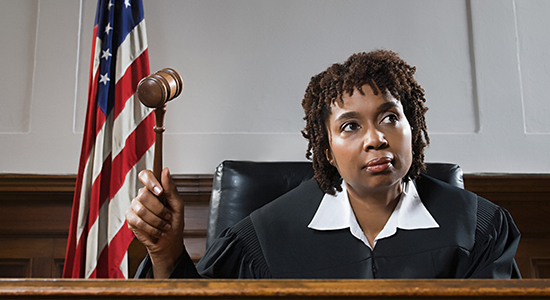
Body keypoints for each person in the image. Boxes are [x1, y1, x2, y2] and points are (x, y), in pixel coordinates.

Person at [126, 49, 521, 279]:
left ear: (412, 128)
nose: (376, 138)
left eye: (389, 117)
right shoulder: (265, 236)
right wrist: (166, 253)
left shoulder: (477, 226)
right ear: (327, 150)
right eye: (350, 126)